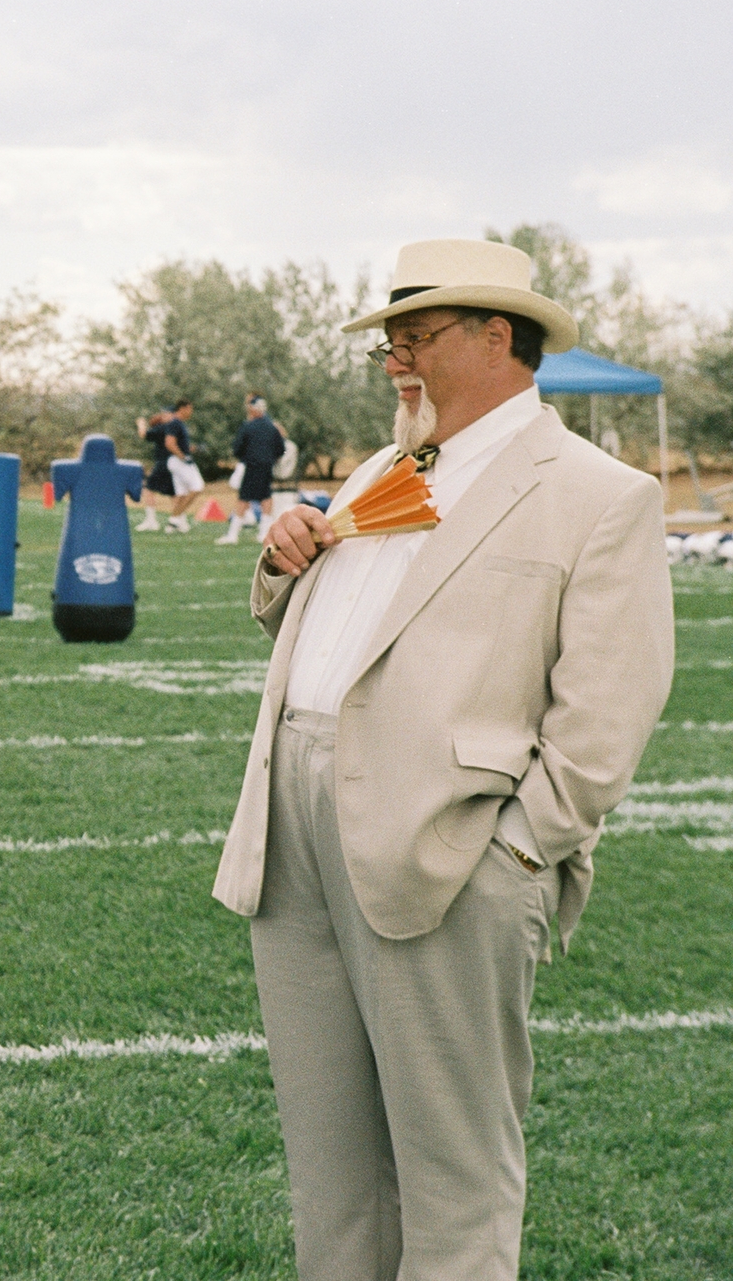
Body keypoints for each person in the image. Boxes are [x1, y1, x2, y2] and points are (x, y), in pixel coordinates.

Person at [212, 238, 673, 1280]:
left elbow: (607, 710)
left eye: (412, 339)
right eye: (387, 344)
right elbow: (326, 625)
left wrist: (518, 850)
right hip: (294, 837)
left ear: (494, 337)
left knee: (452, 1178)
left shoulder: (597, 493)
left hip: (450, 852)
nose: (392, 363)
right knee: (328, 1171)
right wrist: (282, 556)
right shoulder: (382, 467)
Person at [221, 394, 287, 545]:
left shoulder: (248, 427)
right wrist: (272, 459)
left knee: (244, 498)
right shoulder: (272, 427)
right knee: (265, 497)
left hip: (251, 466)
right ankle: (263, 533)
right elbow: (281, 448)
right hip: (267, 466)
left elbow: (238, 448)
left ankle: (233, 535)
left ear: (252, 409)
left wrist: (244, 458)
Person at [137, 399, 198, 531]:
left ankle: (151, 520)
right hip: (176, 464)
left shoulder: (164, 427)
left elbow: (144, 435)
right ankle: (181, 521)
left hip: (164, 463)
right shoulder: (177, 426)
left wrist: (141, 424)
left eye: (164, 414)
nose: (162, 416)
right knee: (175, 493)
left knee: (149, 489)